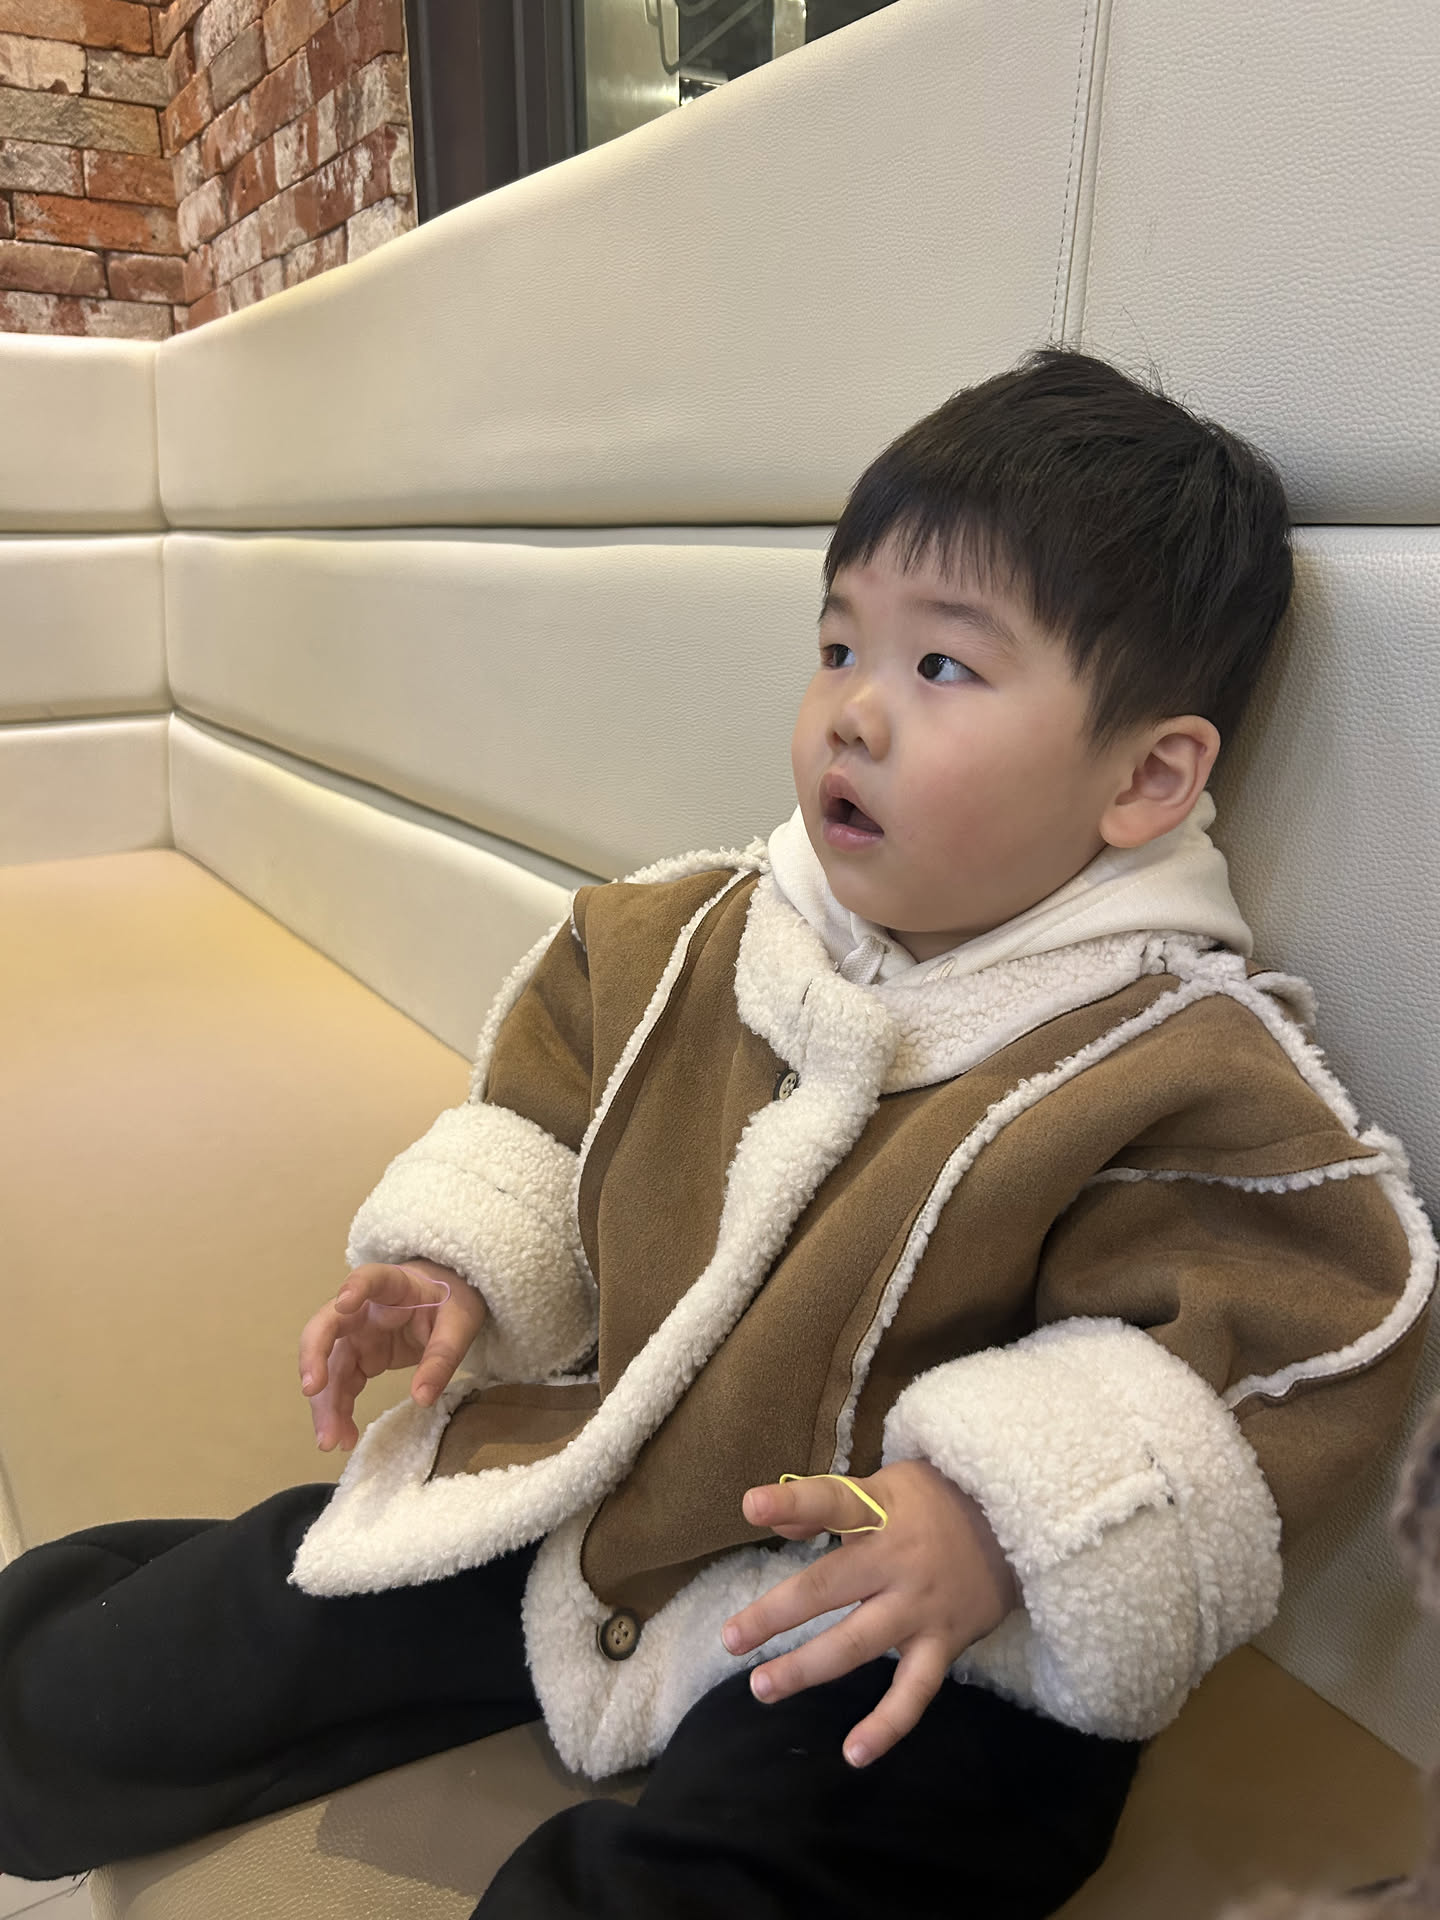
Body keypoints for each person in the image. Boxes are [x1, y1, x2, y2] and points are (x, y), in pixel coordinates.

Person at [1, 348, 1434, 1920]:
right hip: (618, 1476)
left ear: (1148, 776)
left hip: (912, 1608)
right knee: (252, 1612)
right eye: (838, 643)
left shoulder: (1177, 1063)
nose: (853, 712)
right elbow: (552, 1120)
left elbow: (1284, 1342)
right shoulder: (686, 937)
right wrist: (460, 1262)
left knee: (851, 1821)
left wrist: (1003, 1515)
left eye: (943, 666)